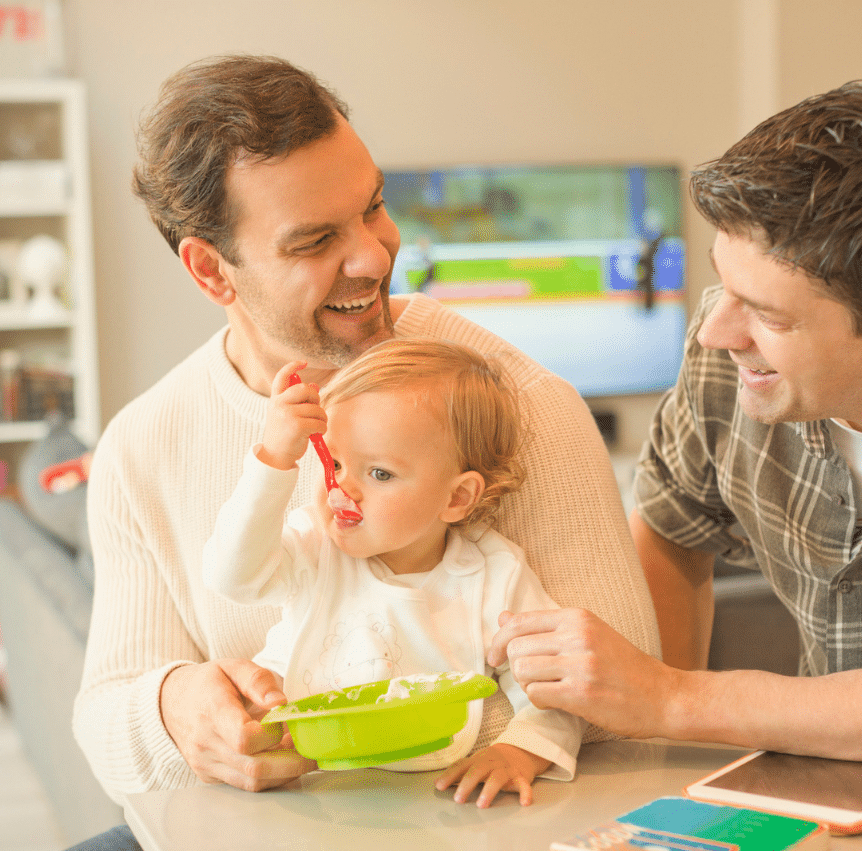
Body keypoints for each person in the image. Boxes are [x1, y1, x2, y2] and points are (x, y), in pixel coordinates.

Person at [67, 54, 660, 848]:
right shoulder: (142, 447)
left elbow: (624, 709)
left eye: (373, 207)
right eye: (315, 240)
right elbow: (107, 719)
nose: (376, 256)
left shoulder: (518, 403)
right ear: (211, 270)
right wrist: (174, 707)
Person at [489, 79, 862, 769]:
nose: (713, 331)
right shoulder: (730, 364)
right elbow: (675, 529)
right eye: (722, 284)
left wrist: (674, 700)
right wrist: (647, 752)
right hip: (830, 787)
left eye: (768, 315)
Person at [203, 339, 586, 808]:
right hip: (298, 791)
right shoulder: (313, 544)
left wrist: (520, 751)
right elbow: (232, 577)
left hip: (431, 807)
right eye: (336, 462)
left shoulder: (493, 576)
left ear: (457, 498)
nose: (342, 488)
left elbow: (558, 684)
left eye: (379, 474)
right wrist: (275, 460)